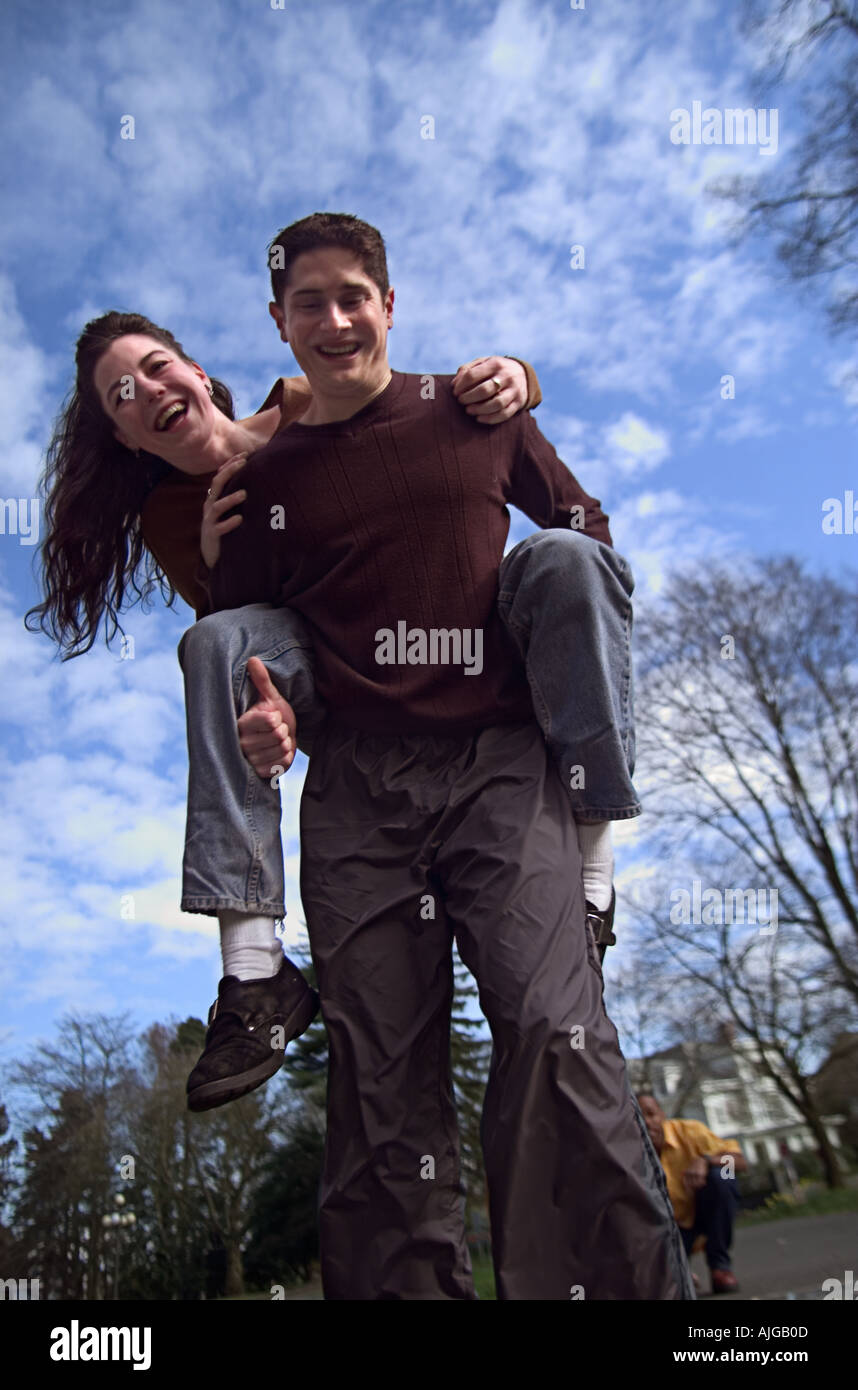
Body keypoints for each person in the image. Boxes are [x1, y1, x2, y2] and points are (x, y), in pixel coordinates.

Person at [184, 210, 692, 1299]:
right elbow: (259, 672)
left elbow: (583, 532)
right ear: (278, 323)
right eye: (307, 301)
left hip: (504, 769)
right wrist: (262, 710)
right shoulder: (268, 483)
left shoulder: (470, 411)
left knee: (557, 1031)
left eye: (352, 295)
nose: (333, 318)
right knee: (381, 1081)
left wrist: (524, 379)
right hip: (361, 795)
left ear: (389, 304)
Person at [26, 311, 541, 1112]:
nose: (151, 390)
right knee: (211, 642)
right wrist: (267, 715)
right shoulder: (171, 516)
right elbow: (245, 653)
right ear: (126, 436)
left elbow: (418, 408)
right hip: (323, 669)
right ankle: (255, 972)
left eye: (160, 366)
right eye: (122, 395)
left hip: (423, 628)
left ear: (198, 374)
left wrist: (515, 376)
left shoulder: (302, 399)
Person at [637, 1093, 747, 1294]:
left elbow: (739, 1162)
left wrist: (707, 1160)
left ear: (662, 1114)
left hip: (705, 1214)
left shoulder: (691, 1131)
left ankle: (720, 1267)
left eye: (651, 1114)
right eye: (637, 1117)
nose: (645, 1122)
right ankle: (678, 1271)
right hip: (671, 1232)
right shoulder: (629, 1156)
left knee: (724, 1176)